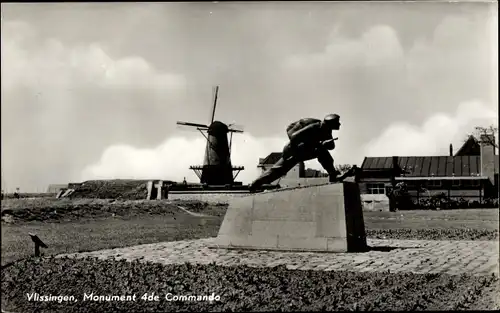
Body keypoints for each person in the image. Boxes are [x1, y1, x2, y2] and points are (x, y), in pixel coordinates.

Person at [249, 114, 342, 192]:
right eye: (337, 122)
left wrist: (325, 144)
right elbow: (294, 136)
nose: (339, 124)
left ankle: (332, 175)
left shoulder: (326, 129)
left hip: (305, 148)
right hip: (295, 148)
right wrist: (319, 144)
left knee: (323, 152)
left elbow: (331, 146)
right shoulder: (314, 127)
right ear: (331, 123)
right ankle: (255, 184)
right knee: (278, 170)